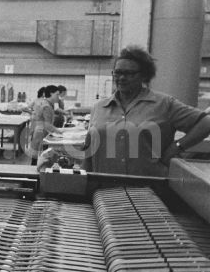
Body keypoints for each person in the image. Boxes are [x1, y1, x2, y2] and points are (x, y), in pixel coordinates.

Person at [83, 46, 210, 176]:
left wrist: (176, 147)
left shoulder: (164, 104)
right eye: (117, 72)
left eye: (129, 73)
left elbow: (206, 123)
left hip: (151, 186)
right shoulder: (99, 107)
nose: (121, 78)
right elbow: (89, 149)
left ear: (144, 75)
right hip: (104, 187)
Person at [28, 85, 61, 165]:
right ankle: (36, 176)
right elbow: (47, 125)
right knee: (39, 160)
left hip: (39, 132)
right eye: (57, 94)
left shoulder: (46, 103)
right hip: (41, 133)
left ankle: (34, 174)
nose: (58, 97)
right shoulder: (47, 106)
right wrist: (60, 132)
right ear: (51, 94)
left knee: (36, 158)